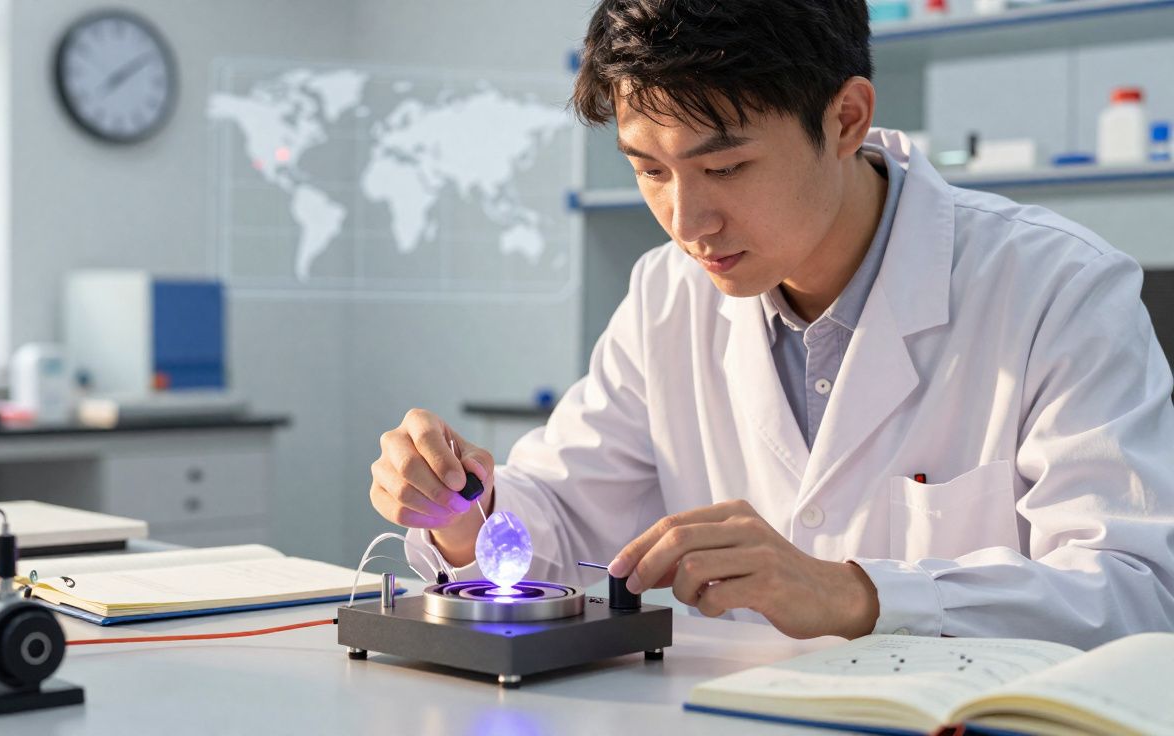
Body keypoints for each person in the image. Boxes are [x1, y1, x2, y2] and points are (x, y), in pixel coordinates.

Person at [368, 0, 1174, 647]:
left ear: (847, 119)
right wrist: (464, 516)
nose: (688, 222)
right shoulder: (666, 296)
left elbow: (1137, 592)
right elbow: (563, 512)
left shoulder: (1056, 287)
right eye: (650, 169)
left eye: (725, 167)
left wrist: (854, 592)